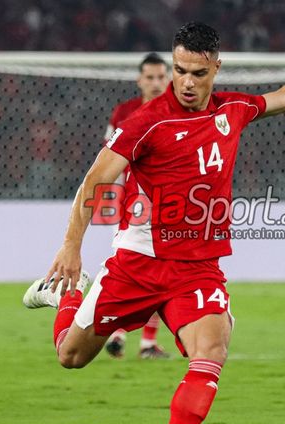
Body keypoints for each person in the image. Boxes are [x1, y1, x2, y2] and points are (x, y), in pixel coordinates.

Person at [25, 19, 285, 424]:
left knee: (212, 351)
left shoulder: (232, 110)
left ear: (216, 68)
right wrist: (71, 246)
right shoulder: (147, 122)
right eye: (180, 70)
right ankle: (70, 293)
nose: (187, 82)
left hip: (198, 268)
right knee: (70, 356)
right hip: (139, 262)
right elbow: (95, 180)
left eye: (198, 73)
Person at [102, 52, 170, 360]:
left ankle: (140, 341)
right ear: (139, 80)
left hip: (169, 204)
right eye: (150, 77)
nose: (156, 83)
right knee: (135, 273)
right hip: (132, 205)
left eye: (161, 77)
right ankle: (122, 333)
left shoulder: (179, 110)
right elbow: (108, 157)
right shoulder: (124, 112)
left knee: (158, 274)